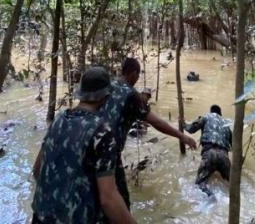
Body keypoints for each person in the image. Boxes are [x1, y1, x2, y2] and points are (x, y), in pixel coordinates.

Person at [31, 67, 135, 224]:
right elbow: (109, 200)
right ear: (106, 96)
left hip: (40, 217)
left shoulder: (59, 120)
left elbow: (37, 170)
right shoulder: (102, 132)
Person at [101, 57, 197, 208]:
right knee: (121, 202)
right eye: (138, 75)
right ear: (133, 74)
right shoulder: (132, 95)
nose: (137, 79)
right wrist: (182, 136)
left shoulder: (108, 86)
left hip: (91, 144)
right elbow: (157, 122)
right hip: (109, 152)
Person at [185, 104, 232, 195]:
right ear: (220, 113)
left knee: (199, 185)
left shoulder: (206, 116)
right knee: (231, 184)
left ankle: (211, 197)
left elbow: (191, 129)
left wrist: (183, 124)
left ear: (211, 111)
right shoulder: (226, 124)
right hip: (224, 157)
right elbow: (233, 144)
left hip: (209, 154)